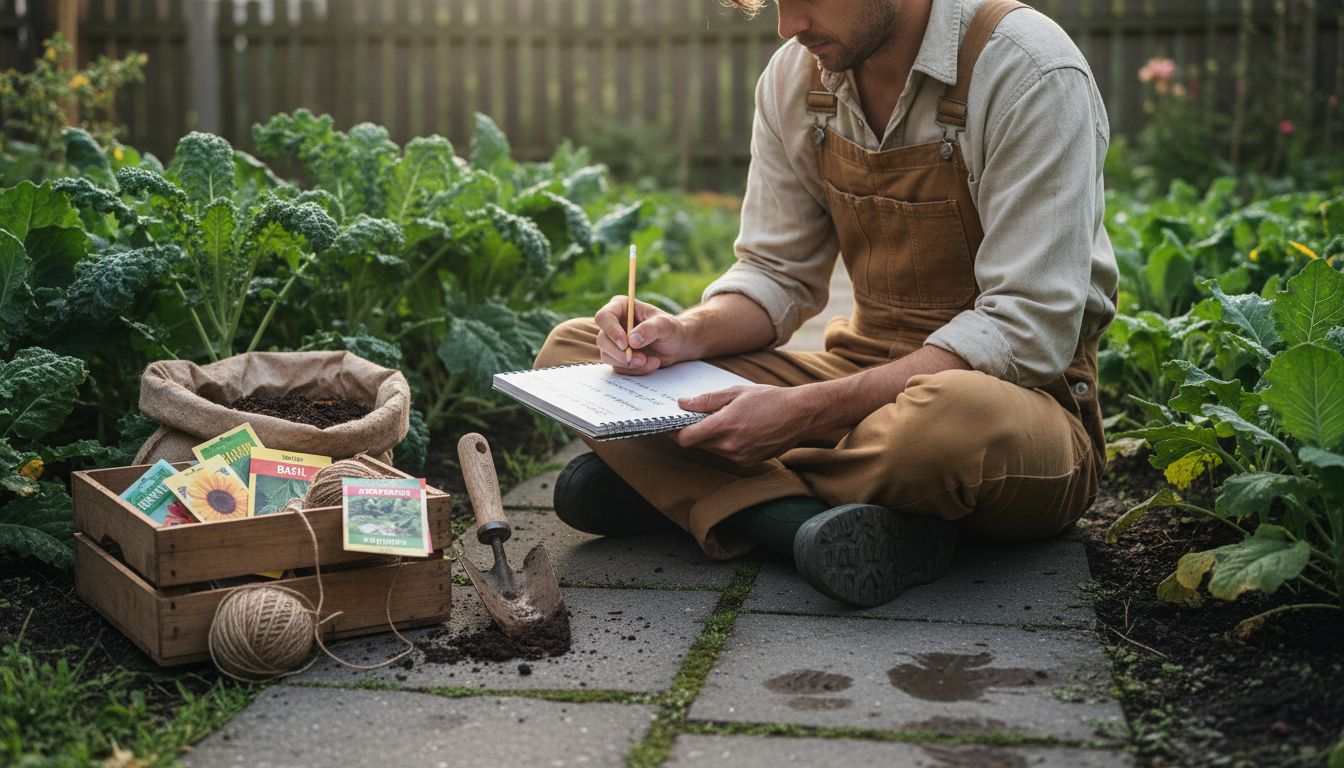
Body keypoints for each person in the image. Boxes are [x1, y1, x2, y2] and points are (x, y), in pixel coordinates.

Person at [534, 0, 1118, 607]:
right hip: (859, 377)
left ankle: (696, 492)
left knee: (950, 424)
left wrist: (801, 413)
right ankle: (827, 521)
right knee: (574, 356)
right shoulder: (796, 76)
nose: (787, 25)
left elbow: (1027, 331)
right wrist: (685, 332)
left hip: (1017, 401)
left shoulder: (1030, 71)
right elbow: (775, 273)